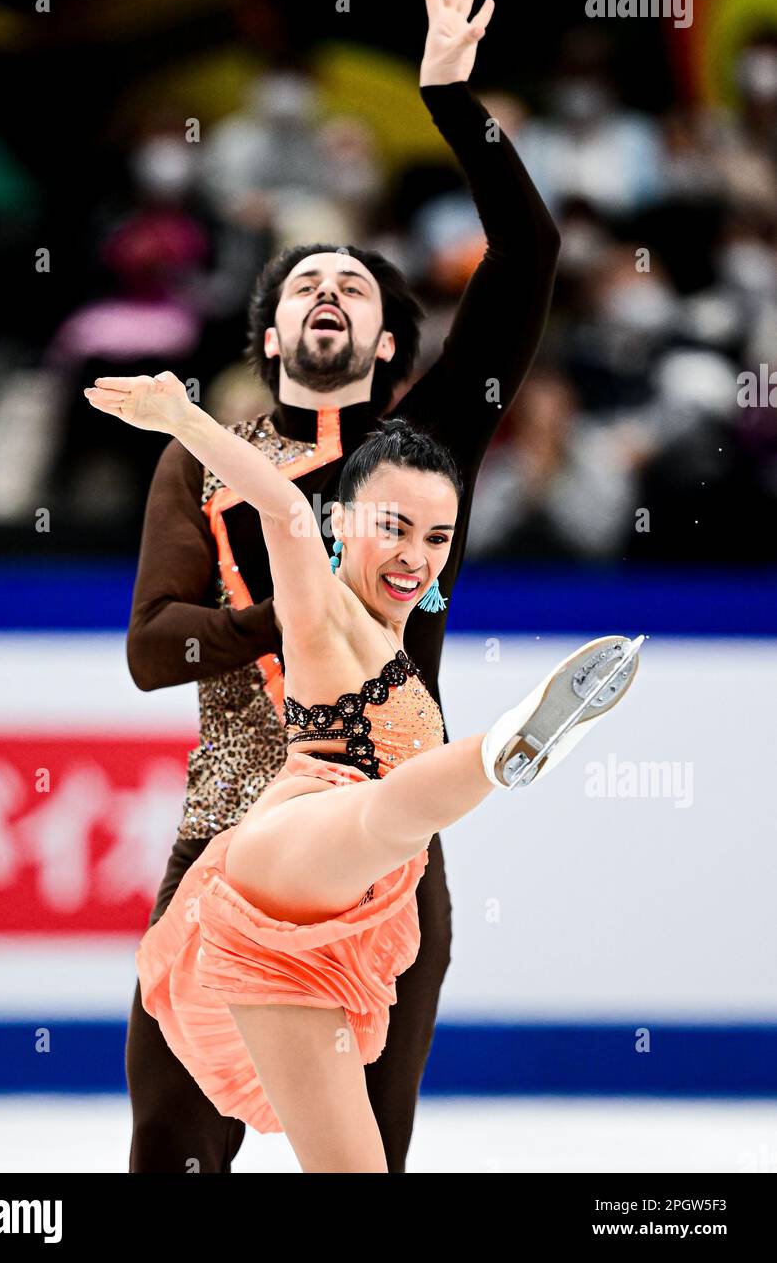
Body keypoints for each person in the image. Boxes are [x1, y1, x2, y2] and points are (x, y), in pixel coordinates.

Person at [120, 0, 562, 1174]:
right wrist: (295, 613)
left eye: (353, 285)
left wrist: (451, 103)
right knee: (171, 1147)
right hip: (227, 824)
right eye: (303, 281)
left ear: (383, 341)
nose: (329, 287)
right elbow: (153, 652)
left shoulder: (421, 458)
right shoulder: (204, 464)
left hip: (381, 841)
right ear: (268, 338)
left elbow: (526, 255)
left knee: (369, 1155)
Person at [85, 369, 642, 1173]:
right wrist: (184, 419)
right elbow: (278, 506)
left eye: (437, 538)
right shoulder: (321, 606)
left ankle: (500, 753)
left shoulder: (396, 651)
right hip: (294, 845)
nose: (416, 556)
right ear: (341, 519)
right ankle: (504, 750)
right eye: (394, 526)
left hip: (317, 944)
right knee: (386, 813)